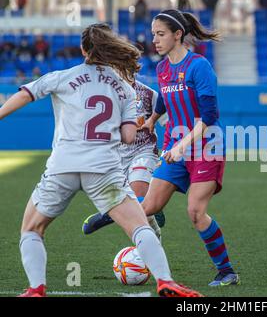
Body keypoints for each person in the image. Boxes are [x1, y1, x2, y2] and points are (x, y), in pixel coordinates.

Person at [0, 23, 201, 298]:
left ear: (83, 49)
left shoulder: (62, 76)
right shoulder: (125, 88)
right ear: (110, 48)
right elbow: (130, 137)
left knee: (32, 229)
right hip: (104, 168)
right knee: (140, 227)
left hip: (63, 167)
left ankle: (36, 289)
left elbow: (25, 94)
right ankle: (166, 281)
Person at [83, 10, 240, 287]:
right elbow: (165, 99)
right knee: (149, 207)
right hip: (174, 148)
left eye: (161, 34)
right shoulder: (163, 69)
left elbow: (209, 118)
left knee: (195, 211)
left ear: (178, 34)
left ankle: (226, 271)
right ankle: (111, 214)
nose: (154, 39)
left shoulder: (199, 66)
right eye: (153, 33)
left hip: (205, 146)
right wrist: (153, 120)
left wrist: (181, 146)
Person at [82, 79, 167, 238]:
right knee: (142, 215)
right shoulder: (103, 93)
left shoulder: (148, 94)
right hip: (115, 157)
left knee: (136, 197)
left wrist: (171, 149)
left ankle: (107, 215)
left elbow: (168, 122)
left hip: (144, 151)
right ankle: (153, 205)